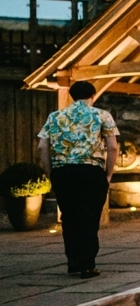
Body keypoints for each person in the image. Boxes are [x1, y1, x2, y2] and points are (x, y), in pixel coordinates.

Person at [37, 80, 119, 277]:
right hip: (91, 172)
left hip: (63, 172)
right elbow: (113, 147)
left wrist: (52, 173)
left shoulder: (55, 116)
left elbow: (41, 146)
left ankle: (73, 259)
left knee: (69, 216)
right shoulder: (102, 115)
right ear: (92, 95)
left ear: (73, 95)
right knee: (89, 216)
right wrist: (107, 174)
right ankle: (87, 263)